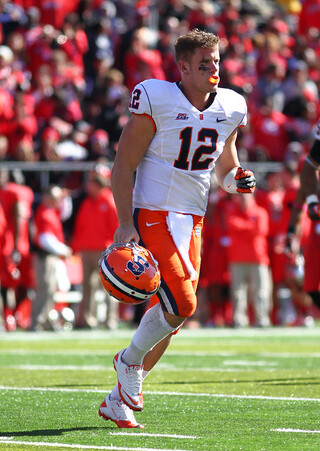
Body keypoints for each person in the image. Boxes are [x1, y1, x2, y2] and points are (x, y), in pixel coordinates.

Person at [98, 29, 256, 429]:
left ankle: (118, 400)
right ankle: (128, 361)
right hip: (153, 212)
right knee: (182, 305)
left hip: (192, 218)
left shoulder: (232, 106)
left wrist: (235, 179)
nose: (213, 68)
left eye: (216, 61)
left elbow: (224, 165)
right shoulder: (158, 98)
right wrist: (124, 221)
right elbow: (122, 165)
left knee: (173, 314)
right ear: (182, 68)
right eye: (204, 63)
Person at [71, 165, 119, 329]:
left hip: (104, 250)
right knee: (87, 287)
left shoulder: (109, 201)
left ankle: (110, 319)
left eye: (91, 182)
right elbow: (80, 226)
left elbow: (115, 227)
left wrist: (114, 249)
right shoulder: (87, 203)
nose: (88, 185)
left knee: (109, 285)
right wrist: (77, 246)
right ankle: (87, 319)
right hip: (87, 250)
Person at [286, 119, 320, 312]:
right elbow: (300, 199)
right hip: (316, 233)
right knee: (310, 286)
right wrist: (291, 232)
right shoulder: (310, 175)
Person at [30, 185, 72, 331]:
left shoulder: (50, 211)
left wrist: (66, 198)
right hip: (45, 257)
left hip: (51, 256)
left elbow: (66, 212)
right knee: (45, 289)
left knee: (50, 289)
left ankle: (44, 321)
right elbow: (44, 238)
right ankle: (37, 322)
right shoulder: (45, 213)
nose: (57, 200)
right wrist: (63, 249)